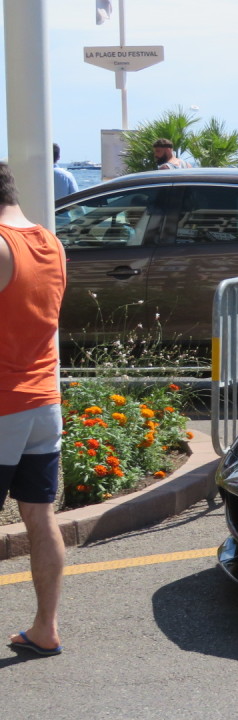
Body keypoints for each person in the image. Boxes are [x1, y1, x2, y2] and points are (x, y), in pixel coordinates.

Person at [0, 162, 67, 657]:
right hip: (43, 402)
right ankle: (45, 628)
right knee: (40, 518)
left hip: (2, 404)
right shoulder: (49, 241)